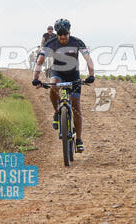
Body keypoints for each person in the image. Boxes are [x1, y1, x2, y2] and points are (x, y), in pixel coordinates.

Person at [32, 18, 94, 153]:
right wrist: (35, 79)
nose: (63, 37)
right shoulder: (50, 43)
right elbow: (40, 60)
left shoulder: (77, 42)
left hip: (74, 75)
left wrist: (91, 75)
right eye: (60, 34)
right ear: (57, 34)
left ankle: (79, 140)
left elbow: (88, 58)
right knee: (53, 84)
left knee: (76, 105)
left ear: (69, 32)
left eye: (65, 34)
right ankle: (56, 112)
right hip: (58, 73)